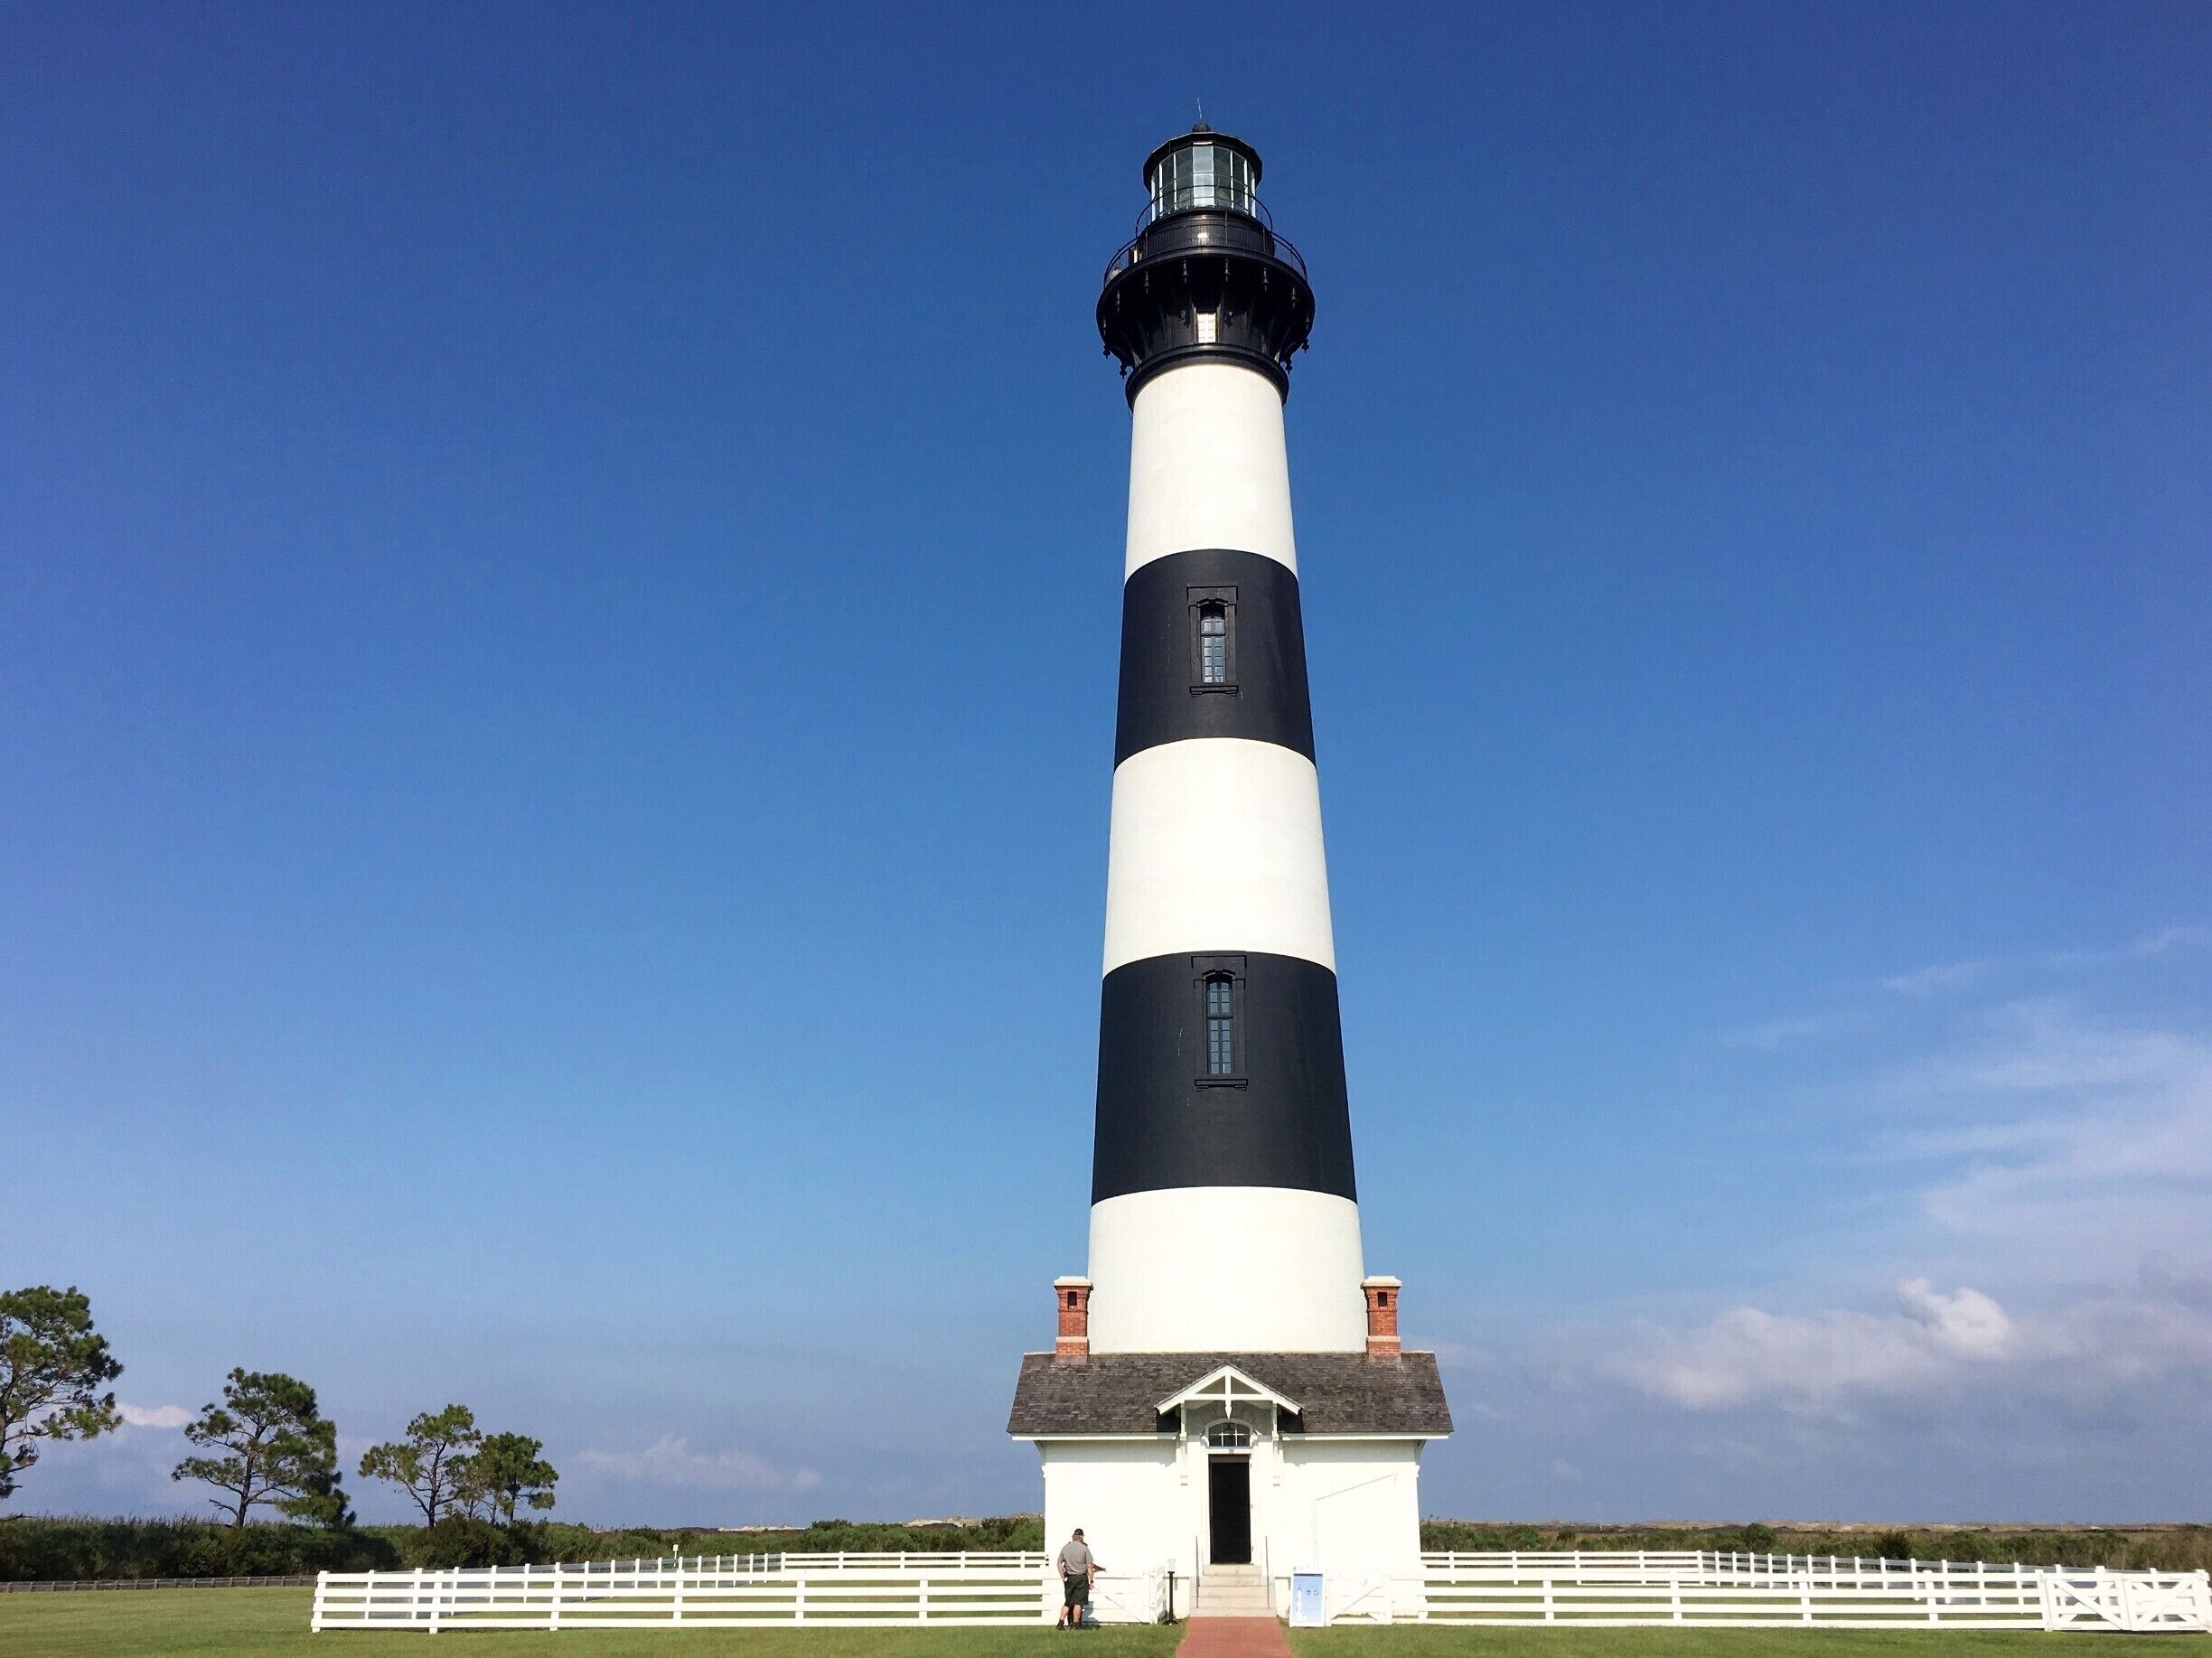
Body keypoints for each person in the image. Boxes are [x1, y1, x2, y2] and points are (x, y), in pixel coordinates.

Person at [1055, 1527, 1100, 1628]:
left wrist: (1063, 1576)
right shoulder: (1084, 1548)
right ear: (1081, 1537)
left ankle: (1060, 1623)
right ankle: (1075, 1625)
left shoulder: (1066, 1547)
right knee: (1078, 1603)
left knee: (1068, 1602)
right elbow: (1089, 1566)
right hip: (1081, 1578)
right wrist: (1091, 1580)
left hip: (1069, 1578)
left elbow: (1059, 1563)